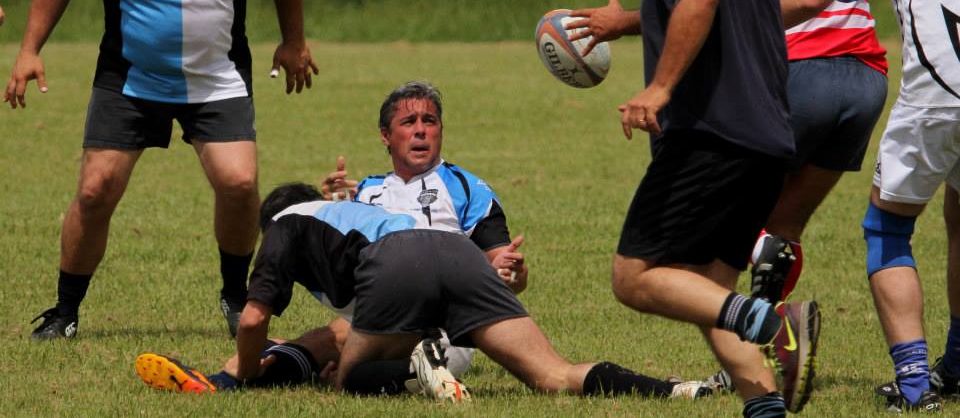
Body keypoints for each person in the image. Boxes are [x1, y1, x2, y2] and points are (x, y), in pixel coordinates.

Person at [4, 0, 318, 341]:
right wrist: (29, 50)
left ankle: (233, 297)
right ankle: (64, 311)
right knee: (95, 189)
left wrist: (293, 42)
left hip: (215, 78)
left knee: (240, 184)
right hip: (130, 80)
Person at [565, 0, 820, 417]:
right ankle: (763, 406)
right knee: (707, 288)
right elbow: (707, 5)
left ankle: (772, 321)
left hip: (712, 139)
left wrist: (658, 89)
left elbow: (699, 1)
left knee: (635, 277)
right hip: (764, 143)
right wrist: (620, 23)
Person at [134, 182, 716, 402]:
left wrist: (239, 373)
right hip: (455, 253)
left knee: (348, 375)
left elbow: (254, 315)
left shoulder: (285, 227)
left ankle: (415, 368)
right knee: (550, 375)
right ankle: (677, 391)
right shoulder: (344, 213)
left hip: (399, 264)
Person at [778, 0, 960, 412]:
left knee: (888, 227)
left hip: (935, 92)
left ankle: (915, 383)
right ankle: (957, 365)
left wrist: (743, 22)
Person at [728, 0, 888, 304]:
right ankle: (774, 340)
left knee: (730, 216)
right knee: (785, 226)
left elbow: (717, 5)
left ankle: (746, 338)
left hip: (801, 75)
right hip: (866, 80)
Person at [310, 81, 527, 375]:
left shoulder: (467, 188)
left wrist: (510, 271)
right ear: (386, 136)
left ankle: (366, 373)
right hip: (377, 316)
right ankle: (265, 367)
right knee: (322, 340)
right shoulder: (368, 191)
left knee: (384, 354)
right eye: (409, 122)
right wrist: (332, 213)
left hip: (442, 324)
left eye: (430, 121)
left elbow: (508, 269)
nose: (421, 130)